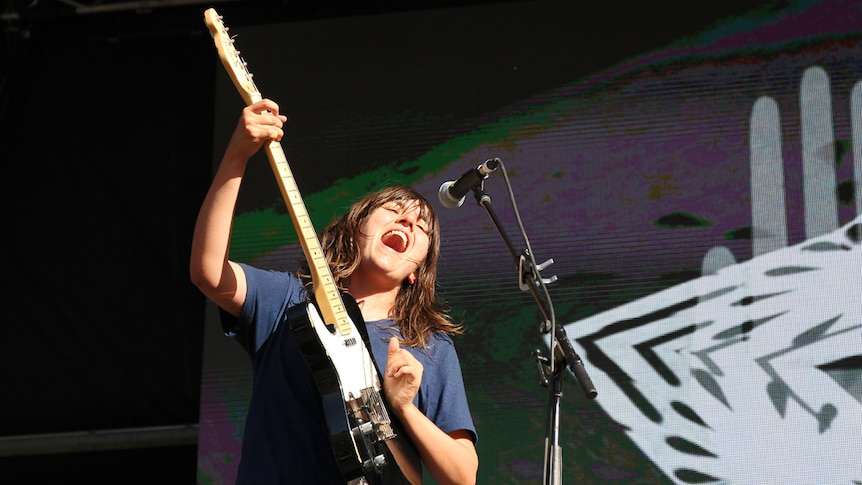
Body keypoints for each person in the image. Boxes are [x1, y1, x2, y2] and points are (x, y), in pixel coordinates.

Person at [190, 98, 478, 485]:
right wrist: (237, 156)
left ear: (417, 272)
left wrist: (404, 407)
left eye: (422, 228)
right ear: (355, 229)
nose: (408, 220)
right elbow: (208, 273)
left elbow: (462, 477)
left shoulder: (428, 346)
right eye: (394, 210)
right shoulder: (288, 299)